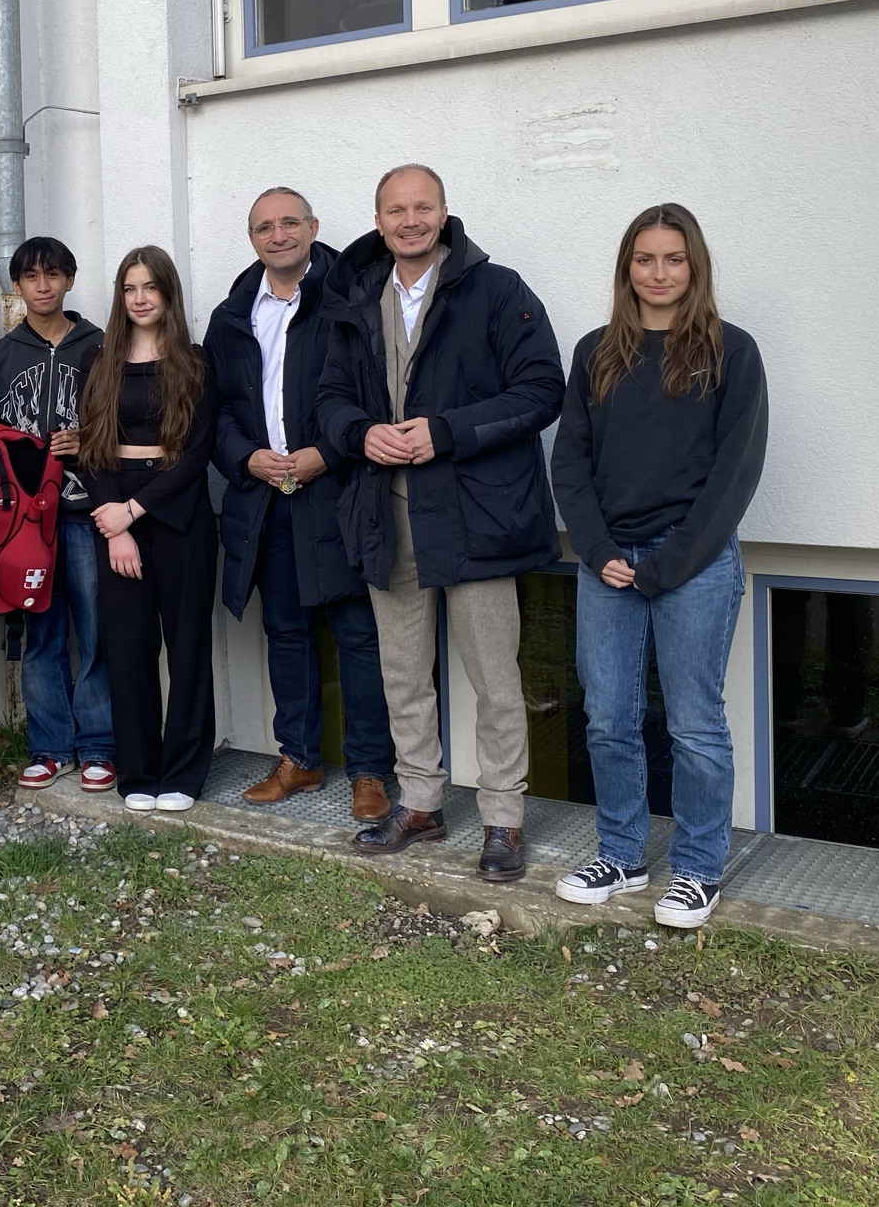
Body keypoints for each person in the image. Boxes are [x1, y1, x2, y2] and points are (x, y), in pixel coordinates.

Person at [315, 164, 565, 883]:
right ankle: (421, 802)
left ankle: (503, 819)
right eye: (397, 209)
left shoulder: (497, 289)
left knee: (494, 676)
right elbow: (329, 398)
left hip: (475, 515)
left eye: (423, 207)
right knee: (402, 673)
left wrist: (446, 431)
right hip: (386, 513)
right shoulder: (356, 294)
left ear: (445, 212)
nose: (410, 220)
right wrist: (361, 433)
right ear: (379, 219)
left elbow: (543, 388)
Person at [550, 203, 768, 930]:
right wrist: (600, 551)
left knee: (694, 724)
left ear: (695, 266)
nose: (660, 272)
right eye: (645, 259)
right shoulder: (595, 353)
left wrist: (671, 563)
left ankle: (700, 869)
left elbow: (735, 474)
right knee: (609, 718)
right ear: (627, 269)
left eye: (674, 259)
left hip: (695, 563)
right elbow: (571, 464)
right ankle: (621, 853)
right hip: (608, 564)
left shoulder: (731, 353)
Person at [208, 189, 394, 819]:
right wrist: (246, 458)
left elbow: (376, 394)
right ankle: (302, 759)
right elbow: (219, 411)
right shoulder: (233, 313)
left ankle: (370, 769)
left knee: (356, 636)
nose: (278, 234)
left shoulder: (352, 300)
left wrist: (328, 453)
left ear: (314, 228)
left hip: (337, 492)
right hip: (267, 499)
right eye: (265, 226)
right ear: (252, 238)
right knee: (285, 632)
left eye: (290, 222)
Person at [0, 236, 114, 793]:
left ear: (70, 280)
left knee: (96, 629)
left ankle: (100, 744)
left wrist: (90, 441)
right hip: (24, 523)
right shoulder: (2, 356)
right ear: (18, 287)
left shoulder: (100, 348)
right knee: (41, 631)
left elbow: (124, 427)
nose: (44, 285)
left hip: (82, 513)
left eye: (54, 274)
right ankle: (50, 746)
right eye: (31, 277)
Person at [81, 246, 220, 812]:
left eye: (150, 287)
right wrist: (116, 527)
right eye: (129, 288)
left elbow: (196, 455)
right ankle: (138, 770)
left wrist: (135, 511)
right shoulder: (100, 361)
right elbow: (91, 447)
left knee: (187, 646)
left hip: (179, 513)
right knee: (128, 646)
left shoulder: (196, 360)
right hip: (115, 515)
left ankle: (184, 772)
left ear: (168, 293)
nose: (140, 298)